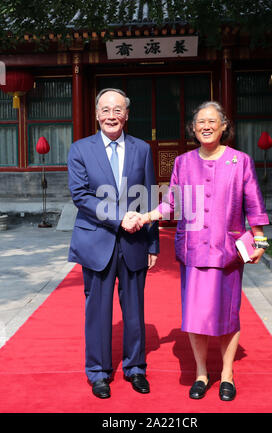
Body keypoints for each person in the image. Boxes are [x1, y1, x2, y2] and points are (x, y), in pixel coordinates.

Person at [139, 101, 269, 401]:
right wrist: (145, 217)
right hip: (193, 252)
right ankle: (201, 372)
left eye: (213, 121)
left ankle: (227, 375)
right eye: (200, 122)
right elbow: (172, 203)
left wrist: (259, 240)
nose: (206, 126)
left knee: (228, 316)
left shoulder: (241, 161)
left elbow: (254, 204)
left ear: (224, 126)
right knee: (195, 317)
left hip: (228, 254)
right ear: (193, 128)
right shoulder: (183, 163)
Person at [67, 88, 159, 399]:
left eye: (117, 110)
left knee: (134, 310)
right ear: (96, 114)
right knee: (97, 310)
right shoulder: (80, 150)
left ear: (127, 115)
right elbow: (81, 196)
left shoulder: (142, 149)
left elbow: (148, 195)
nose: (111, 116)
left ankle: (136, 368)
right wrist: (120, 217)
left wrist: (153, 245)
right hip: (96, 242)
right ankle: (98, 372)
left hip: (134, 243)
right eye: (105, 110)